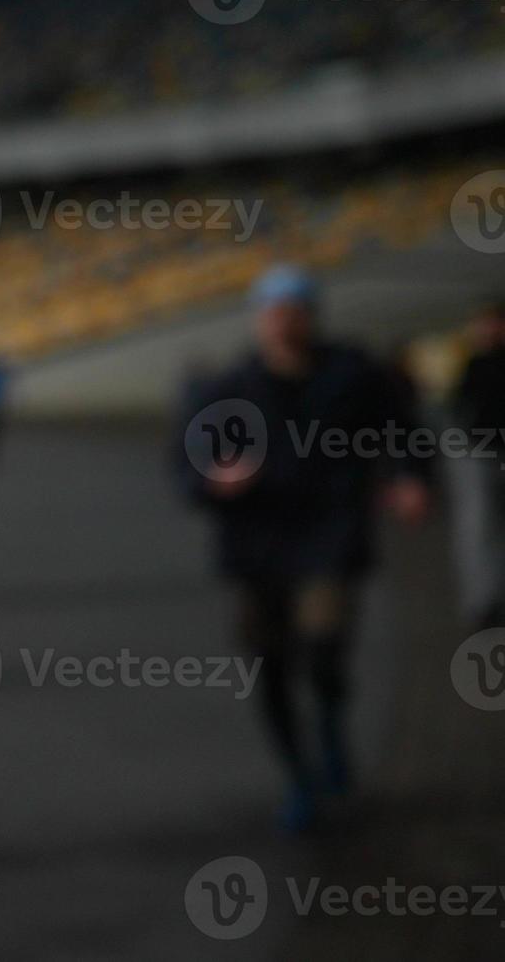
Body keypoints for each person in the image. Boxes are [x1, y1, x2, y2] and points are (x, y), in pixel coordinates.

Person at [175, 265, 429, 833]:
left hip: (329, 539)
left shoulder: (352, 373)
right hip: (256, 549)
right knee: (268, 669)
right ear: (259, 319)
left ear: (311, 315)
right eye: (273, 311)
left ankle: (332, 722)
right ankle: (299, 776)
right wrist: (213, 483)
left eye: (294, 310)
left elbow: (404, 430)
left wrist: (411, 478)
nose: (283, 322)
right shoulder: (229, 388)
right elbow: (185, 465)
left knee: (323, 646)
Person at [448, 305, 505, 630]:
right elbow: (460, 406)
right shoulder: (476, 364)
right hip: (480, 454)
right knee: (479, 528)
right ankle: (483, 600)